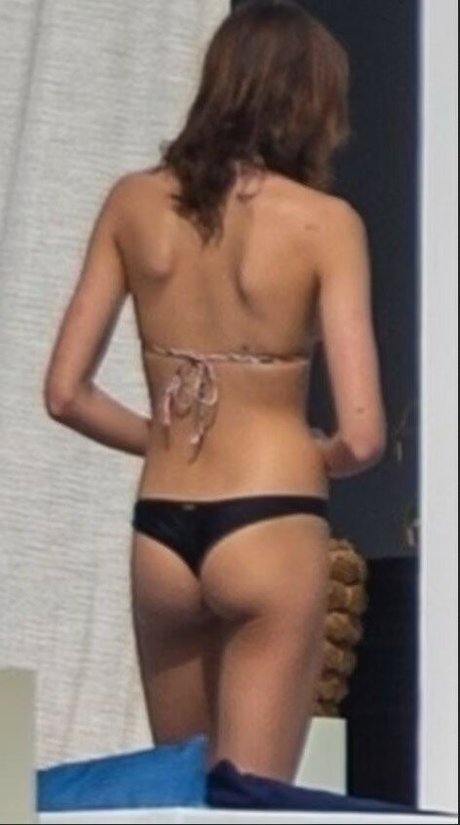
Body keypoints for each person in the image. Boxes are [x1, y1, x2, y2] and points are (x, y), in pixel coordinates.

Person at [43, 0, 387, 783]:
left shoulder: (131, 203)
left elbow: (65, 392)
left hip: (163, 525)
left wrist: (161, 436)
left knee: (183, 797)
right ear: (310, 104)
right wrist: (319, 453)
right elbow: (365, 434)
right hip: (271, 516)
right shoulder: (326, 224)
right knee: (250, 804)